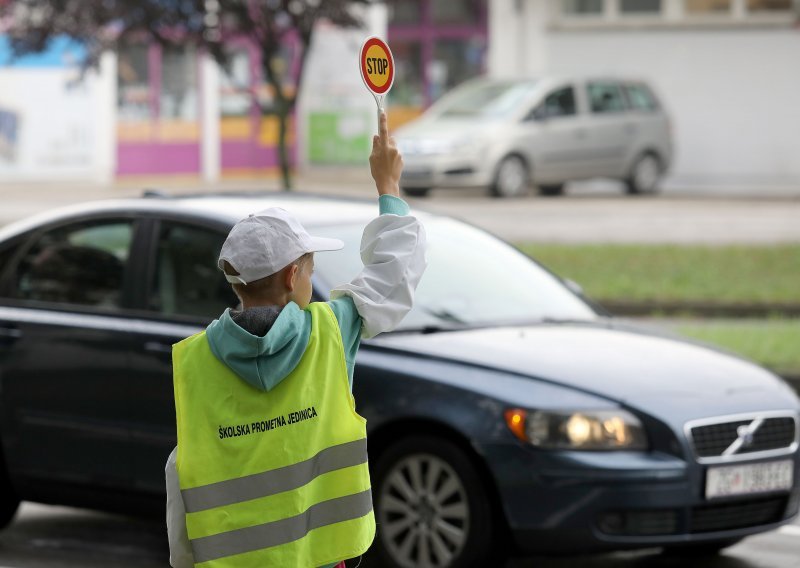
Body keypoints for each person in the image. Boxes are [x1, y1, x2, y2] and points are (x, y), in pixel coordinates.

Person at [165, 111, 427, 568]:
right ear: (291, 275)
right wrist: (388, 187)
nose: (310, 277)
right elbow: (394, 275)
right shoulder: (330, 331)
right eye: (309, 267)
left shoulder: (195, 361)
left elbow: (181, 477)